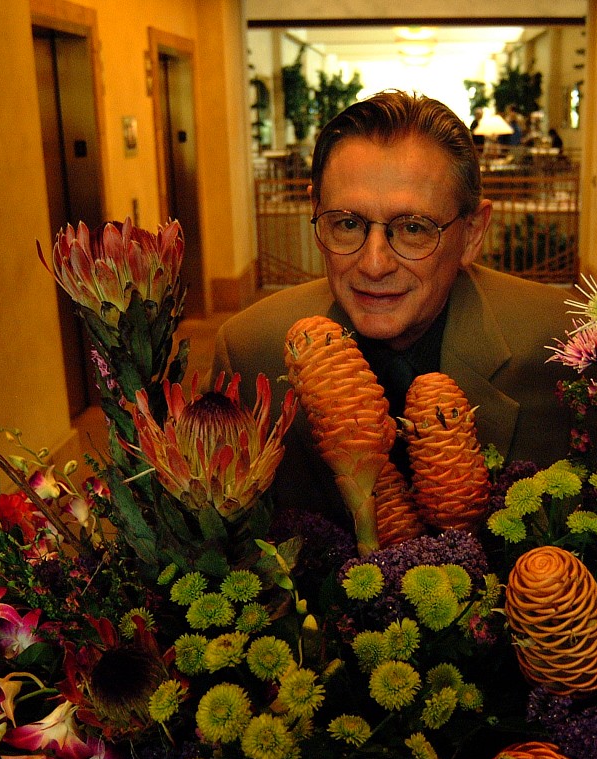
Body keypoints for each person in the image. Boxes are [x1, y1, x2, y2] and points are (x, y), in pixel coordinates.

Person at [213, 90, 574, 519]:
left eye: (413, 228)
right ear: (316, 211)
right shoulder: (249, 350)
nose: (374, 264)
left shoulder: (563, 348)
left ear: (473, 232)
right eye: (347, 224)